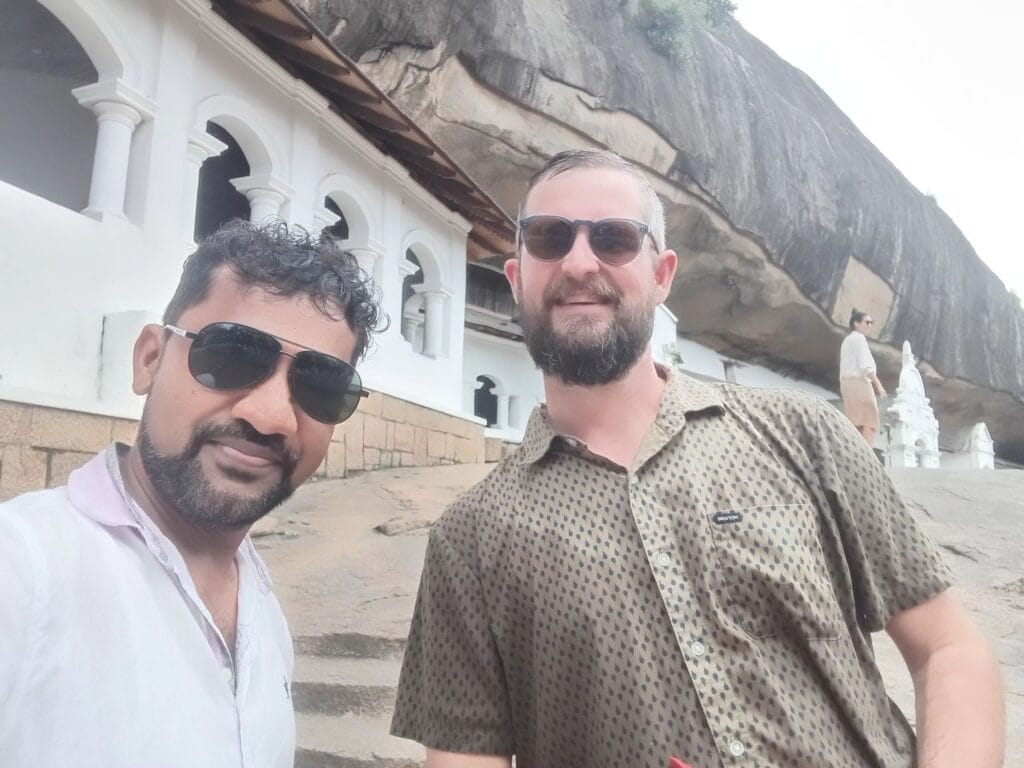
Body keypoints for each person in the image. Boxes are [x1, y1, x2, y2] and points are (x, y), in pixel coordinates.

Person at [390, 150, 1004, 767]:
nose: (578, 262)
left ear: (662, 275)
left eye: (614, 238)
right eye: (549, 238)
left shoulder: (807, 435)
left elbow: (947, 649)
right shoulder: (469, 540)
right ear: (517, 276)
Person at [0, 221, 384, 766]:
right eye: (232, 356)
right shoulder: (23, 570)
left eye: (321, 386)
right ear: (150, 360)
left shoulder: (261, 605)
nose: (271, 416)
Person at [840, 308, 887, 444]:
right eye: (867, 322)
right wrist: (878, 385)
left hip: (846, 384)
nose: (870, 325)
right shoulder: (859, 338)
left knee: (856, 421)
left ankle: (855, 450)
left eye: (871, 323)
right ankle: (866, 452)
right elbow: (865, 365)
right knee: (870, 420)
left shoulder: (847, 340)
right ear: (856, 323)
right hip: (859, 382)